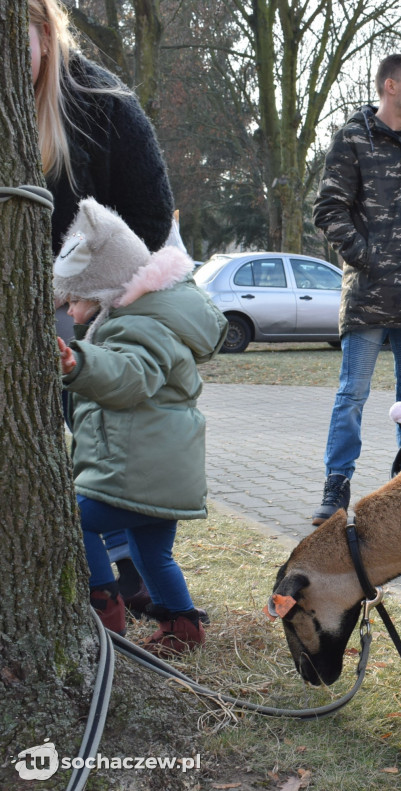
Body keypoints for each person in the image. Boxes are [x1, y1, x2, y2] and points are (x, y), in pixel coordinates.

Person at [30, 0, 175, 612]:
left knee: (98, 435)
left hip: (94, 301)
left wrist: (84, 296)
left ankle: (124, 573)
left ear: (43, 29)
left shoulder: (102, 101)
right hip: (35, 299)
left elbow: (149, 216)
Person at [55, 198, 227, 656]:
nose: (70, 313)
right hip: (161, 473)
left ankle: (104, 613)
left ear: (105, 288)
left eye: (75, 299)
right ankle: (183, 627)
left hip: (139, 473)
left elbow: (130, 377)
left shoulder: (134, 328)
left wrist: (79, 362)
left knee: (72, 518)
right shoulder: (151, 319)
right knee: (154, 553)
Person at [311, 53, 401, 527]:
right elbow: (328, 210)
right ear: (390, 86)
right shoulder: (353, 138)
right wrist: (368, 258)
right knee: (353, 394)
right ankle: (336, 488)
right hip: (370, 295)